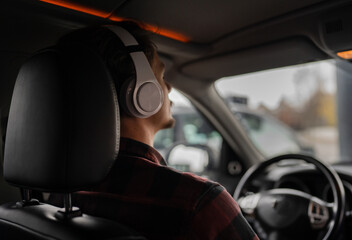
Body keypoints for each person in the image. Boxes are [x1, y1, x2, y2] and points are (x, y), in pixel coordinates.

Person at [57, 21, 259, 240]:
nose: (169, 88)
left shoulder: (57, 198)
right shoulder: (198, 203)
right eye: (161, 77)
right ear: (140, 94)